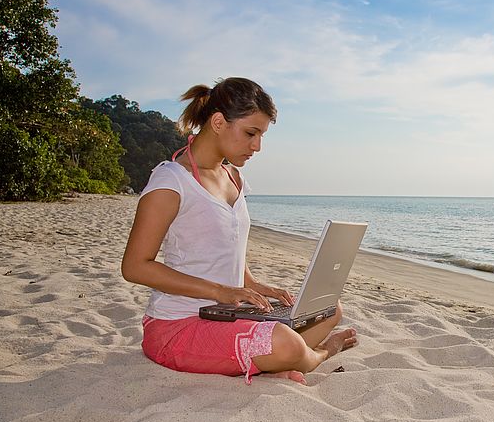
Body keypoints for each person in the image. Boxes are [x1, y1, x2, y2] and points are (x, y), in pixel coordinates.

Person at [121, 77, 357, 385]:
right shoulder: (171, 183)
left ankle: (275, 361)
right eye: (251, 133)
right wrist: (221, 291)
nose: (257, 146)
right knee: (286, 342)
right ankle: (321, 353)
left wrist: (254, 284)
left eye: (261, 135)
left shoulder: (233, 178)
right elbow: (135, 267)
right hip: (178, 325)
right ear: (218, 122)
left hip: (229, 313)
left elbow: (223, 248)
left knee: (329, 307)